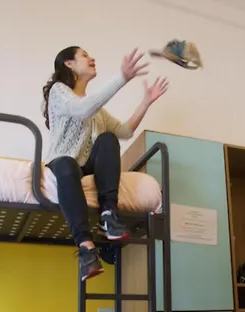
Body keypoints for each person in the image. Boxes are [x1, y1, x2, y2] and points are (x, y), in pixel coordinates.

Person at [42, 46, 169, 281]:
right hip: (62, 162)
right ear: (69, 64)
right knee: (67, 164)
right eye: (84, 55)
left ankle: (109, 214)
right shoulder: (59, 91)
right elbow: (80, 110)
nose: (92, 58)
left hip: (85, 166)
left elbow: (125, 131)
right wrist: (123, 77)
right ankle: (86, 248)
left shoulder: (96, 110)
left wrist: (146, 102)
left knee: (108, 138)